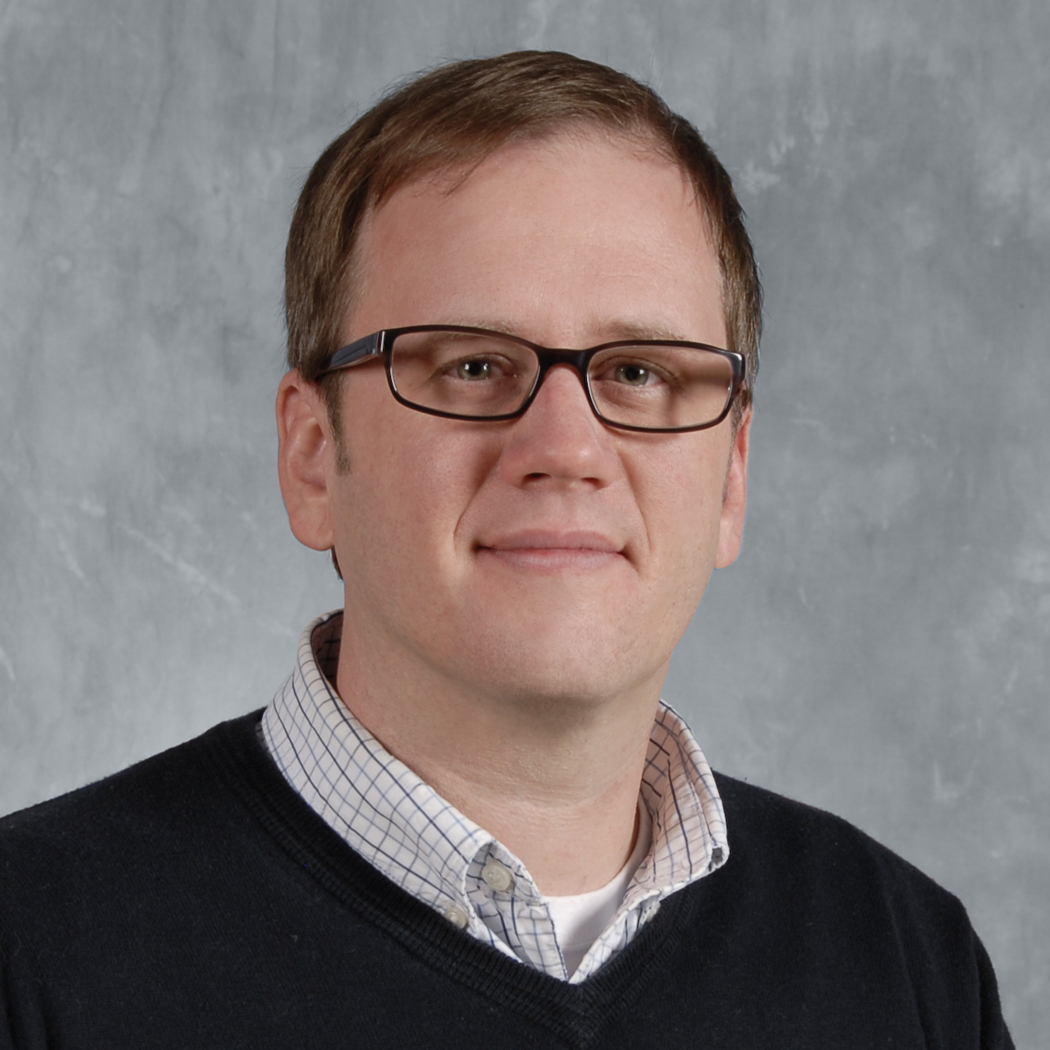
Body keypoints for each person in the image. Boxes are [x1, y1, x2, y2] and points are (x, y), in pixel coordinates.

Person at [0, 51, 1012, 1048]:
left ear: (731, 479)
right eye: (472, 365)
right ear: (313, 460)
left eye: (641, 373)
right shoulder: (33, 950)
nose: (566, 449)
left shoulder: (907, 965)